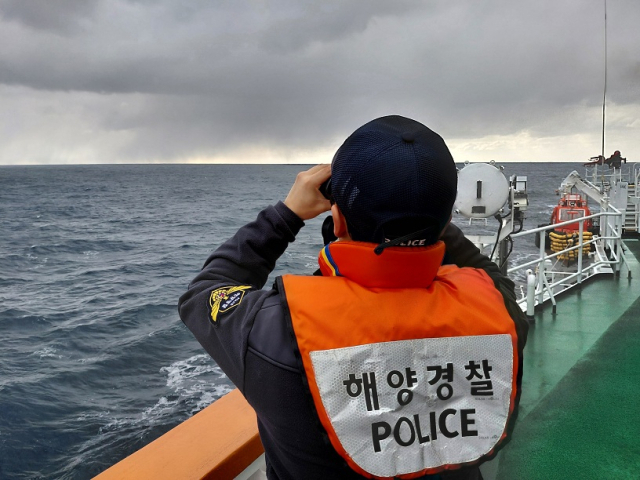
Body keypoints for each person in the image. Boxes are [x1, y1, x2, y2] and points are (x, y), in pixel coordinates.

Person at [178, 115, 529, 480]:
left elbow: (205, 292)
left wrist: (286, 215)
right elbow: (490, 274)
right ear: (446, 218)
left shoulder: (276, 331)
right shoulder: (499, 310)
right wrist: (424, 215)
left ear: (338, 221)